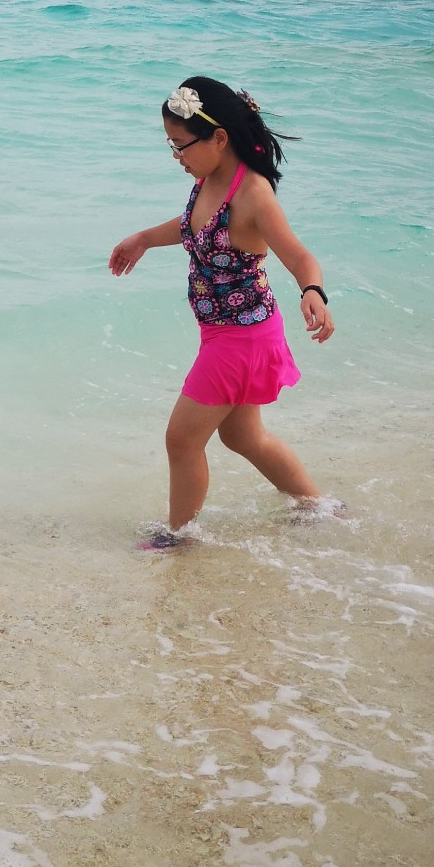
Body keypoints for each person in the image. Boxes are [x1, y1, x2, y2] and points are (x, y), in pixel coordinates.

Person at [108, 77, 334, 550]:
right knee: (245, 438)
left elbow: (299, 256)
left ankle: (180, 538)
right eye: (170, 144)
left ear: (219, 138)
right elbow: (192, 226)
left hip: (242, 338)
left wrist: (312, 291)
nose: (176, 155)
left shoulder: (253, 194)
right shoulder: (209, 180)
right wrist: (144, 238)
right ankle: (318, 507)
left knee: (181, 440)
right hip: (224, 333)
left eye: (180, 144)